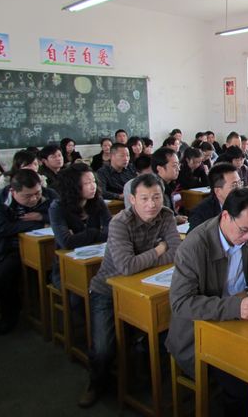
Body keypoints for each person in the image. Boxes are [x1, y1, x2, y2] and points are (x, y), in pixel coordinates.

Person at [167, 188, 248, 416]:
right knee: (242, 383)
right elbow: (181, 303)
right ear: (225, 216)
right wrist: (234, 307)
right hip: (202, 332)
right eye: (244, 230)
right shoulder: (195, 246)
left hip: (244, 321)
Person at [79, 173, 180, 407]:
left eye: (156, 197)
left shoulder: (166, 215)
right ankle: (96, 383)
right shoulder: (120, 223)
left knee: (165, 331)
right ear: (132, 199)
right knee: (104, 348)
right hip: (107, 290)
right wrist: (158, 250)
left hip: (146, 286)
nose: (151, 204)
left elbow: (177, 252)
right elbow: (126, 267)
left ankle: (149, 380)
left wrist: (143, 260)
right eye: (144, 198)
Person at [0, 170, 56, 334]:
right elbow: (3, 228)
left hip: (45, 247)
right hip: (10, 249)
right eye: (27, 196)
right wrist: (40, 224)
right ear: (13, 191)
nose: (34, 199)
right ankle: (10, 315)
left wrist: (41, 217)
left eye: (37, 193)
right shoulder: (0, 201)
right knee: (2, 276)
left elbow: (64, 215)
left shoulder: (50, 194)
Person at [49, 163, 111, 287]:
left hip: (99, 261)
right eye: (87, 183)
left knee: (108, 287)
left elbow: (112, 231)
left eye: (94, 181)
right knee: (79, 293)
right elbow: (66, 242)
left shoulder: (98, 201)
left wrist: (81, 236)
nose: (93, 186)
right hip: (67, 266)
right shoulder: (57, 207)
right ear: (73, 186)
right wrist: (95, 232)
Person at [188, 163, 241, 232]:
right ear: (218, 191)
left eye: (240, 183)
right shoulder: (201, 213)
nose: (239, 189)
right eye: (234, 185)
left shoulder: (247, 203)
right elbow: (193, 237)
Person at [152, 147, 187, 225]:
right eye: (174, 166)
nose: (178, 169)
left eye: (178, 165)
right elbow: (154, 220)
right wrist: (175, 219)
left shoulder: (171, 184)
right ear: (160, 169)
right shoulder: (153, 188)